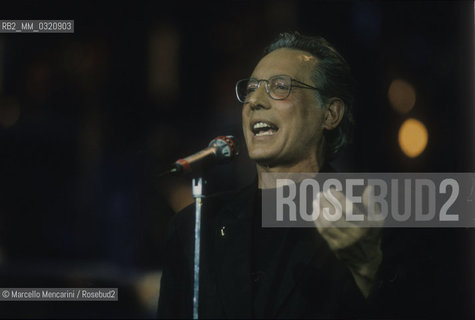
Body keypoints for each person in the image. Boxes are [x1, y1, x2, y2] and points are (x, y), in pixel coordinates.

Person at [157, 32, 382, 318]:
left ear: (330, 114)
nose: (255, 102)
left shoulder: (371, 218)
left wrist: (366, 270)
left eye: (279, 86)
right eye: (251, 89)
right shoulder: (194, 227)